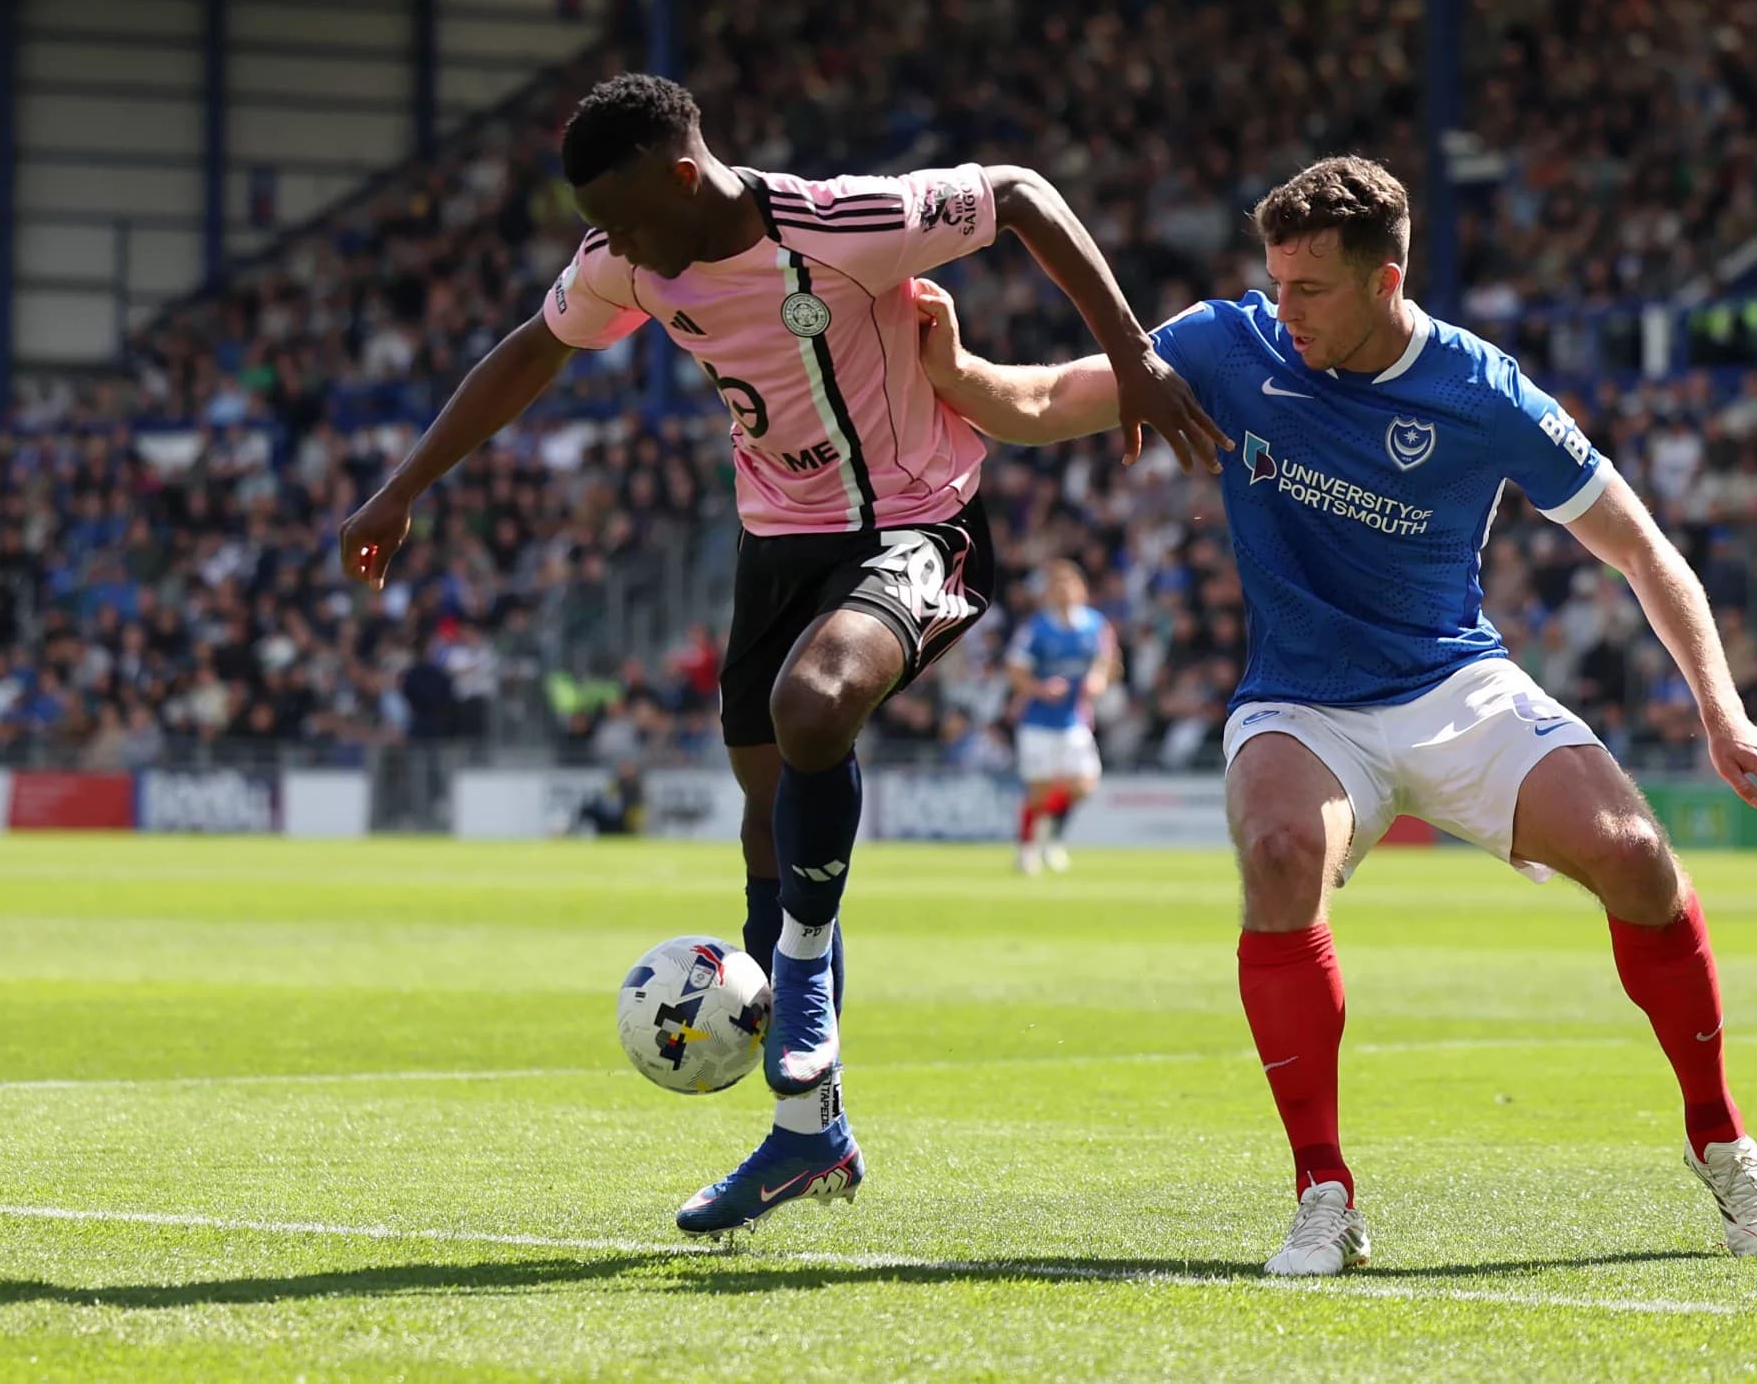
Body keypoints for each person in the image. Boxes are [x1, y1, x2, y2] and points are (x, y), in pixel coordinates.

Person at [336, 73, 1221, 1236]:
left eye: (630, 219)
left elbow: (1020, 196)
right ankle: (811, 1138)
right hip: (776, 549)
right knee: (767, 822)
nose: (617, 249)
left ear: (685, 177)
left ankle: (800, 984)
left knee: (817, 707)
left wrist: (1137, 357)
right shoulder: (632, 262)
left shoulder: (843, 222)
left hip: (917, 521)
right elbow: (530, 351)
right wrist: (402, 490)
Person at [914, 155, 1757, 1273]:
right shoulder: (1223, 345)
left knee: (1635, 857)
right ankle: (1322, 1191)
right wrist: (953, 367)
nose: (1281, 311)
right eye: (1274, 283)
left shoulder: (1484, 391)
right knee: (1281, 853)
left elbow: (1640, 549)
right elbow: (1044, 399)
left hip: (1454, 685)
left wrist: (1723, 715)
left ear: (1386, 281)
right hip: (1299, 701)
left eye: (1309, 290)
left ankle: (1719, 1139)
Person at [1005, 559, 1118, 874]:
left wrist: (1099, 679)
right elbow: (1015, 670)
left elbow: (1107, 661)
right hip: (1038, 721)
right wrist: (1039, 688)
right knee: (1039, 789)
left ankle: (1052, 838)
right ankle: (1027, 848)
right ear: (1049, 593)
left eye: (1070, 585)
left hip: (1074, 720)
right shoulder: (1037, 628)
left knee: (1084, 785)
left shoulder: (1096, 625)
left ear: (1082, 590)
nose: (1065, 592)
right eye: (1058, 586)